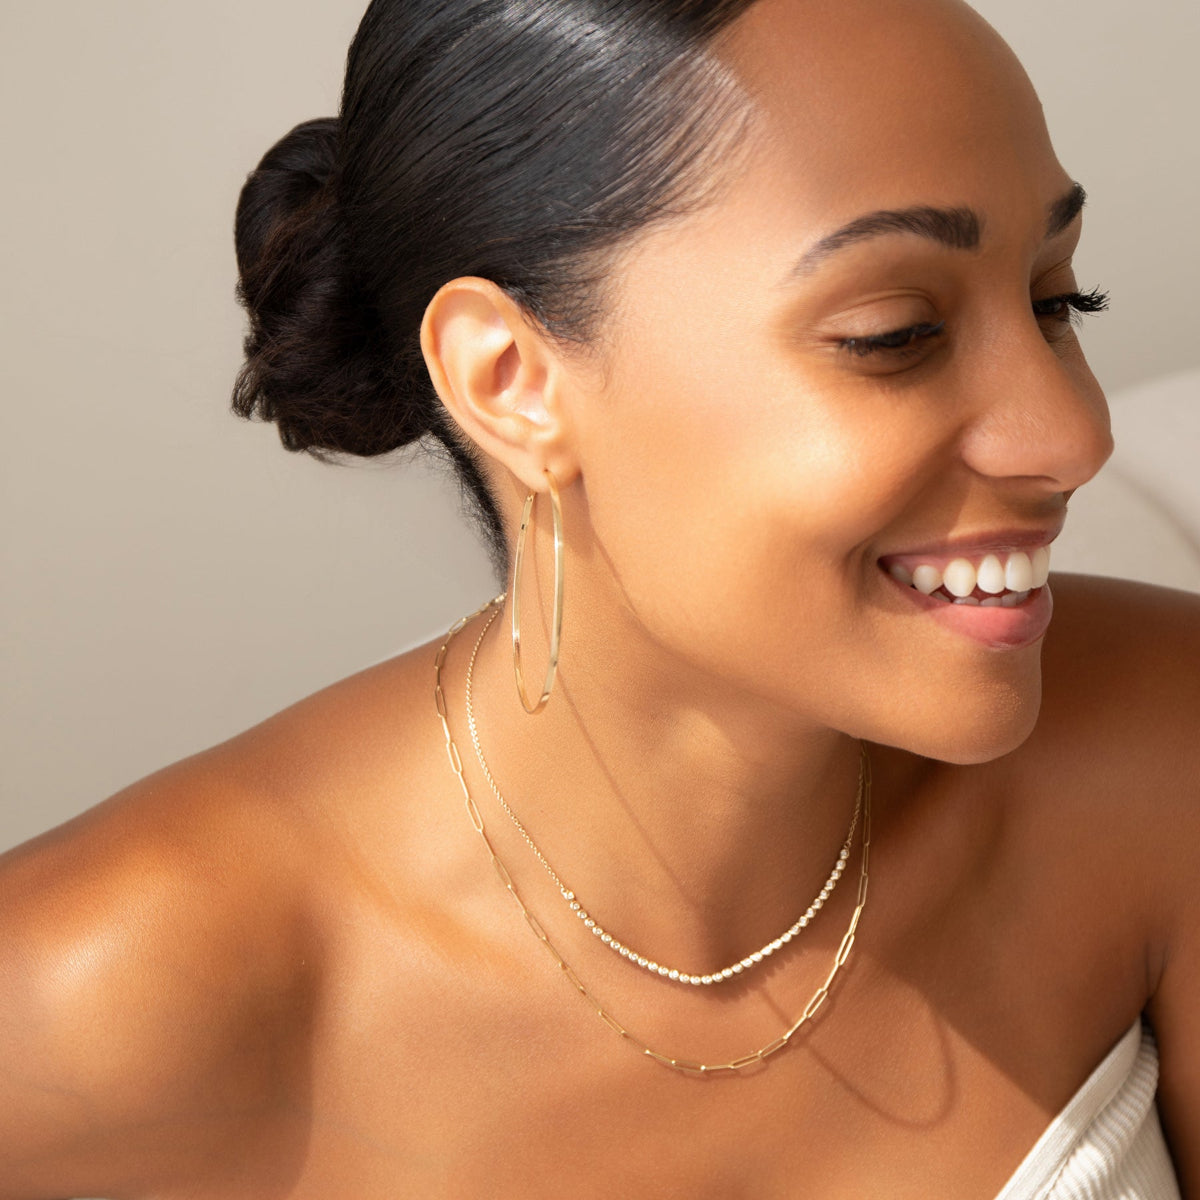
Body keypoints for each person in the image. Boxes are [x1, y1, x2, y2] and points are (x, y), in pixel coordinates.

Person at [1, 0, 1196, 1194]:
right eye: (895, 333)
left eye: (1055, 301)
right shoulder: (88, 1011)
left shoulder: (1157, 760)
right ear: (512, 381)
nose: (1069, 434)